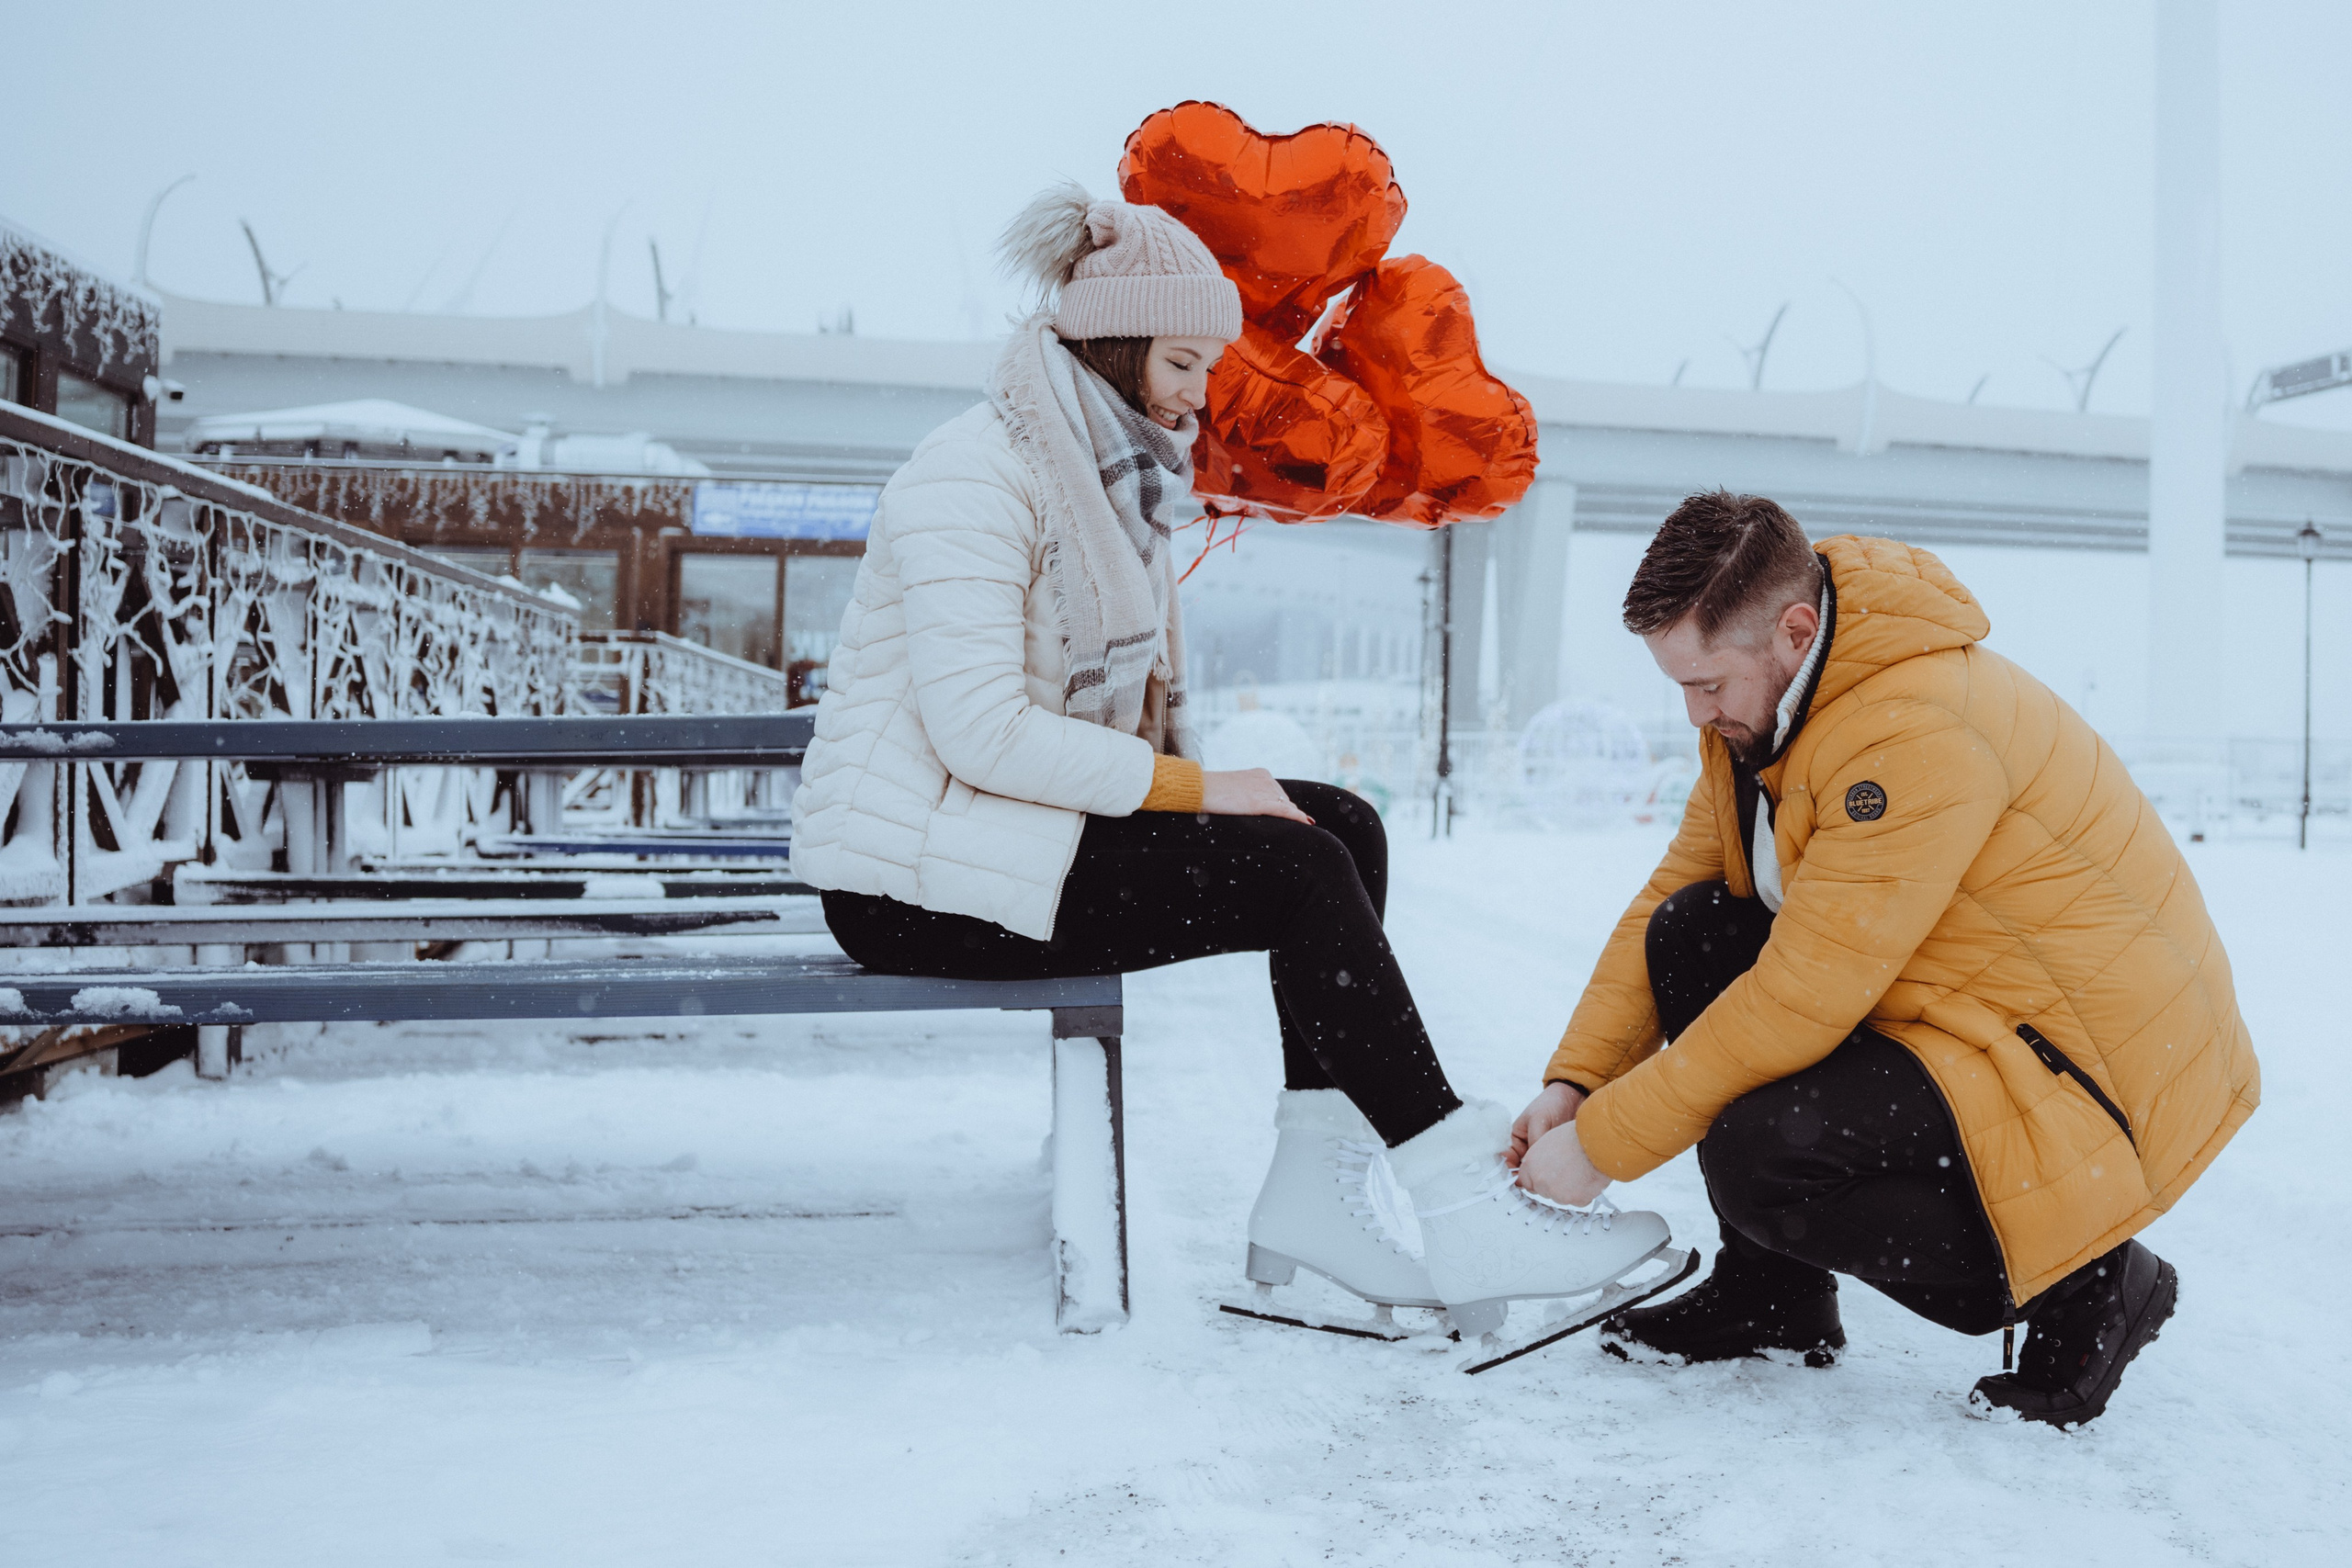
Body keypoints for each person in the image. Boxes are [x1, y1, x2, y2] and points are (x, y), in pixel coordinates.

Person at [791, 184, 1672, 1337]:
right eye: (1179, 363)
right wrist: (1205, 793)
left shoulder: (1106, 476)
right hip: (911, 881)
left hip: (1008, 837)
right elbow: (981, 731)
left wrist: (1217, 799)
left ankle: (1316, 1189)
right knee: (1294, 872)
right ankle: (1460, 1199)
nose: (1196, 396)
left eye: (1206, 367)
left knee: (1339, 824)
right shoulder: (975, 475)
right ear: (1109, 347)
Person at [1510, 491, 2260, 1425]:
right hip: (1951, 1001)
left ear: (1793, 628)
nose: (1695, 713)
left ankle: (2091, 1282)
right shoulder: (1773, 708)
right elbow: (1672, 892)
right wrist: (1578, 1082)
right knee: (1695, 928)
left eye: (1706, 685)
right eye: (1680, 688)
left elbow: (1802, 996)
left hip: (2079, 1055)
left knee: (1762, 1158)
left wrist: (1603, 1146)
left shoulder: (1911, 727)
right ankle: (1773, 1297)